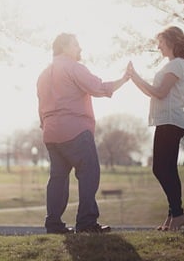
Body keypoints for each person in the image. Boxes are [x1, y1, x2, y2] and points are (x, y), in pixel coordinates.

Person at [36, 33, 129, 234]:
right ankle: (86, 223)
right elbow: (98, 88)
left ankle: (53, 224)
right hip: (76, 131)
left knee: (58, 178)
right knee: (89, 173)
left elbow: (40, 107)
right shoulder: (73, 67)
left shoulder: (43, 74)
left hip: (51, 134)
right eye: (76, 45)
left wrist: (47, 126)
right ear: (63, 47)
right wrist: (124, 79)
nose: (80, 48)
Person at [127, 26, 184, 231]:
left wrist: (136, 76)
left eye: (161, 42)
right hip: (167, 122)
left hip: (171, 122)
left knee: (161, 169)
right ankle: (173, 216)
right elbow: (153, 93)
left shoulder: (177, 65)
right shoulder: (173, 64)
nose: (158, 46)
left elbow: (160, 93)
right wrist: (134, 77)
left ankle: (178, 214)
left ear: (171, 42)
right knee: (168, 169)